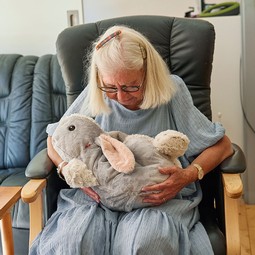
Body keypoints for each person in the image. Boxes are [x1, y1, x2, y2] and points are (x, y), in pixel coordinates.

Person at [30, 25, 233, 255]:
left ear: (149, 72)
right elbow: (54, 140)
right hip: (96, 200)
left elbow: (222, 145)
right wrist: (67, 169)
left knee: (144, 244)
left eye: (131, 86)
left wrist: (187, 176)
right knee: (72, 244)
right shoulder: (95, 91)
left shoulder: (172, 90)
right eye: (110, 87)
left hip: (157, 200)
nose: (121, 96)